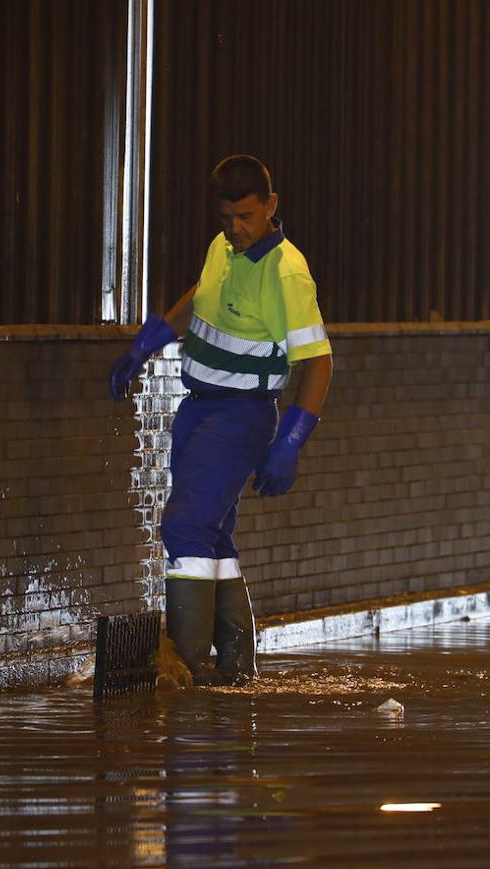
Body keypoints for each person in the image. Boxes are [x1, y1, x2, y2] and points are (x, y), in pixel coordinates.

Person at [108, 155, 333, 684]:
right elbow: (201, 298)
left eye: (247, 218)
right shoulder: (223, 247)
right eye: (227, 217)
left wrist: (292, 440)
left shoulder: (286, 273)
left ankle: (179, 672)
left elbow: (318, 361)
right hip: (199, 409)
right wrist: (149, 341)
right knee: (212, 537)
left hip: (239, 415)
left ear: (271, 207)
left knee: (185, 526)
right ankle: (234, 672)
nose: (235, 230)